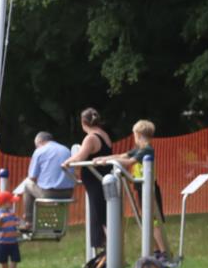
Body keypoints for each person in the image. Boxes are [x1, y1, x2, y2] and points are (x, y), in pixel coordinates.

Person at [94, 119, 171, 258]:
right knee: (147, 221)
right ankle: (156, 252)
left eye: (134, 134)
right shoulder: (139, 150)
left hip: (150, 189)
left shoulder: (147, 149)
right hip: (142, 189)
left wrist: (109, 161)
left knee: (153, 221)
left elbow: (129, 162)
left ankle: (164, 252)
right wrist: (103, 158)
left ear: (138, 134)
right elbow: (121, 156)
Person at [61, 107, 113, 250]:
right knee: (101, 215)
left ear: (83, 122)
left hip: (96, 181)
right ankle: (107, 250)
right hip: (101, 178)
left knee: (101, 216)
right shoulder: (104, 134)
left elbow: (80, 157)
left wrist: (66, 163)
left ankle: (112, 250)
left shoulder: (90, 138)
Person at [20, 131, 75, 231]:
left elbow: (32, 177)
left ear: (39, 142)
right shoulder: (66, 149)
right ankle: (57, 224)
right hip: (68, 193)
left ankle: (29, 222)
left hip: (49, 193)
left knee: (27, 185)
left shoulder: (39, 151)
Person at [0, 190, 22, 268]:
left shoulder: (12, 213)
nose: (12, 203)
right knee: (3, 260)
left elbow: (18, 222)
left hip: (13, 241)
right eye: (10, 202)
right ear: (4, 203)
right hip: (2, 241)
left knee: (15, 258)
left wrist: (21, 225)